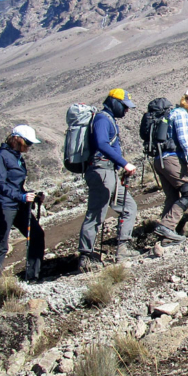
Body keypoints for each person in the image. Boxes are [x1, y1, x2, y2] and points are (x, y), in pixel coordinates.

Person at [78, 89, 139, 270]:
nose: (126, 111)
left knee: (129, 206)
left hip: (109, 171)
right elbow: (102, 143)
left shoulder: (108, 119)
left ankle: (123, 248)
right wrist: (124, 163)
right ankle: (86, 256)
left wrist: (120, 167)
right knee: (96, 213)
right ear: (114, 102)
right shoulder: (102, 119)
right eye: (124, 107)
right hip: (101, 171)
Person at [0, 126, 45, 284]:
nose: (29, 147)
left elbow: (15, 185)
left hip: (18, 204)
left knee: (36, 235)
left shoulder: (17, 156)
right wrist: (22, 196)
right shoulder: (1, 157)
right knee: (0, 246)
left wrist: (32, 196)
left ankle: (33, 277)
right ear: (17, 139)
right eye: (28, 143)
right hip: (3, 206)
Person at [153, 89, 188, 243]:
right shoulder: (181, 113)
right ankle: (167, 227)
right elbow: (184, 140)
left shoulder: (170, 114)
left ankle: (166, 238)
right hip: (172, 159)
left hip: (159, 160)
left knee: (172, 196)